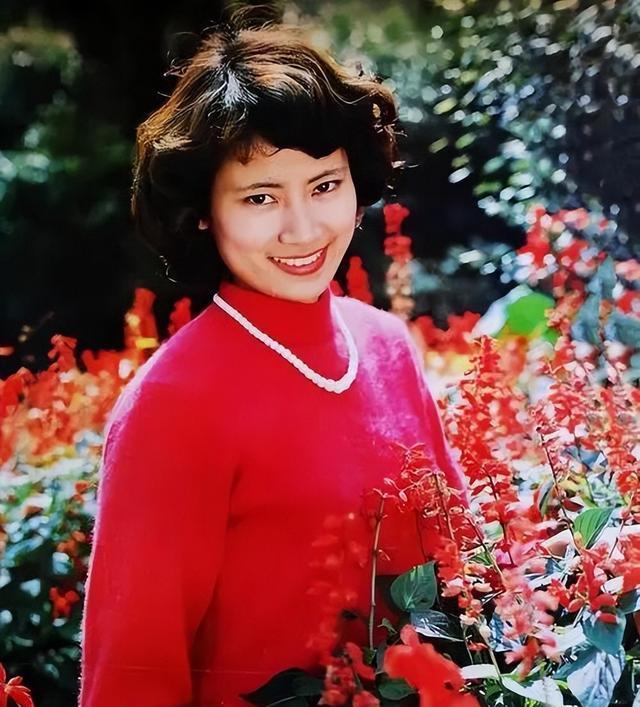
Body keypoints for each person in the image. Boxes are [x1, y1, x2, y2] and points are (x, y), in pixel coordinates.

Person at [78, 12, 468, 707]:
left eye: (325, 185)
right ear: (204, 210)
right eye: (260, 197)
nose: (304, 228)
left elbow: (465, 566)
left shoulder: (385, 344)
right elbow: (131, 672)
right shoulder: (174, 401)